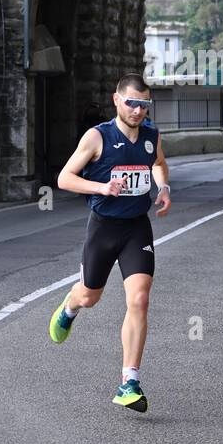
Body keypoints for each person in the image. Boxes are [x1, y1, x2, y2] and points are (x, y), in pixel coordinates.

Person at [50, 73, 172, 412]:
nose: (137, 110)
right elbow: (64, 178)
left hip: (136, 228)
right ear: (117, 100)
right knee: (90, 296)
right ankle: (70, 306)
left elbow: (159, 164)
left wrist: (163, 188)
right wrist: (101, 187)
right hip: (103, 227)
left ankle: (129, 381)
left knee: (140, 299)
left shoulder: (151, 136)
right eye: (131, 102)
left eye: (144, 104)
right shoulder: (97, 137)